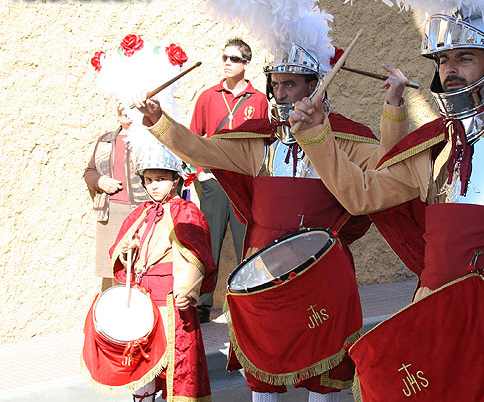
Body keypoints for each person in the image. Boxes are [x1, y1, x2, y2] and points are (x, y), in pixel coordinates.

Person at [289, 10, 484, 400]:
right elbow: (362, 195)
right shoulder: (431, 143)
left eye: (463, 58)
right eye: (442, 60)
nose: (449, 69)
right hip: (433, 311)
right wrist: (318, 136)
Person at [129, 41, 408, 402]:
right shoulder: (259, 141)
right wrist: (157, 120)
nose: (280, 92)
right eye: (275, 84)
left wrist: (395, 104)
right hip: (262, 269)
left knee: (325, 366)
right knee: (262, 367)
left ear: (314, 84)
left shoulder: (346, 138)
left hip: (322, 268)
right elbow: (201, 149)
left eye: (290, 84)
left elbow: (390, 164)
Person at [108, 139, 216, 402]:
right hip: (143, 302)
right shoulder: (140, 213)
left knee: (174, 365)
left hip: (171, 301)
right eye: (148, 179)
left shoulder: (188, 212)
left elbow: (198, 256)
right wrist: (127, 250)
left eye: (160, 178)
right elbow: (119, 253)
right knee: (142, 362)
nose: (153, 185)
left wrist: (187, 291)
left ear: (175, 180)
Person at [190, 38, 269, 324]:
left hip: (244, 183)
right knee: (208, 242)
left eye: (234, 58)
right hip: (213, 181)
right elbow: (194, 136)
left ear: (246, 64)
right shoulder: (208, 96)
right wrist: (200, 172)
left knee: (244, 243)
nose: (227, 62)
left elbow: (263, 141)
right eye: (225, 57)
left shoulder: (258, 99)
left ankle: (245, 302)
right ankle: (200, 304)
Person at [84, 107, 150, 292]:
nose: (125, 111)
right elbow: (89, 172)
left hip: (141, 213)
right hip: (111, 214)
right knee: (115, 271)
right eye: (121, 105)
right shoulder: (106, 140)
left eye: (131, 106)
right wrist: (101, 181)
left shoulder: (148, 138)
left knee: (142, 268)